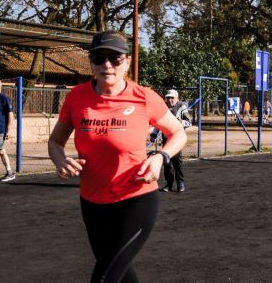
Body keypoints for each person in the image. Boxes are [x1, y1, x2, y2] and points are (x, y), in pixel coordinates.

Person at [48, 30, 186, 283]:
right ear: (90, 62)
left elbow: (178, 132)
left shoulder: (144, 97)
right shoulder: (77, 98)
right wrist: (60, 161)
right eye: (99, 58)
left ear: (127, 62)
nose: (107, 65)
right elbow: (55, 142)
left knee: (105, 277)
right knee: (118, 273)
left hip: (135, 199)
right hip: (92, 202)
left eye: (114, 58)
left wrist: (160, 157)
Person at [150, 89, 191, 193]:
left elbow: (189, 122)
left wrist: (178, 123)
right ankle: (169, 184)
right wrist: (154, 134)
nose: (169, 100)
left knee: (177, 162)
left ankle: (180, 183)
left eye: (172, 98)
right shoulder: (163, 108)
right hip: (165, 139)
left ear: (176, 98)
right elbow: (159, 123)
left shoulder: (181, 106)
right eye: (168, 98)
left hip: (176, 139)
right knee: (167, 163)